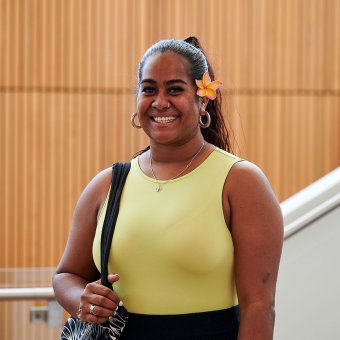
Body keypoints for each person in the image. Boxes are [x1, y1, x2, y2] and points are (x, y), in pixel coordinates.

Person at [53, 36, 284, 339]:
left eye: (175, 89)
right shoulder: (107, 184)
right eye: (149, 89)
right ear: (137, 99)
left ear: (203, 99)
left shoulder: (240, 182)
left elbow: (259, 307)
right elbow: (65, 275)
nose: (160, 102)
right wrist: (83, 301)